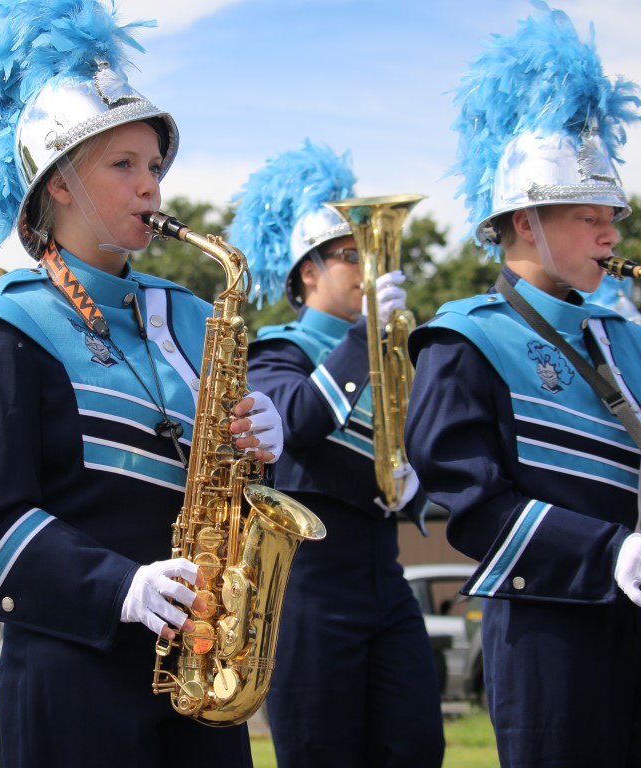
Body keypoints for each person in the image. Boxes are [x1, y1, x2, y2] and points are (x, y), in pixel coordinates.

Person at [0, 1, 284, 764]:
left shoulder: (191, 316)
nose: (150, 187)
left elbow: (227, 495)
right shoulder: (6, 330)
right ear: (59, 182)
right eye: (122, 165)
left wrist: (261, 447)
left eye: (154, 166)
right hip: (73, 672)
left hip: (201, 663)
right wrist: (117, 588)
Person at [404, 6, 641, 767]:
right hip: (547, 626)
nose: (611, 234)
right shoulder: (463, 339)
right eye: (589, 217)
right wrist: (608, 554)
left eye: (612, 217)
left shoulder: (631, 336)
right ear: (525, 220)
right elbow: (470, 503)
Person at [228, 140, 444, 767]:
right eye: (351, 255)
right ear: (309, 272)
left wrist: (415, 487)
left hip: (384, 568)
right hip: (310, 580)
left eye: (367, 255)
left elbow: (413, 447)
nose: (366, 267)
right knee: (319, 751)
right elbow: (297, 419)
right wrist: (363, 335)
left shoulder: (389, 356)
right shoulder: (279, 350)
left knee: (414, 745)